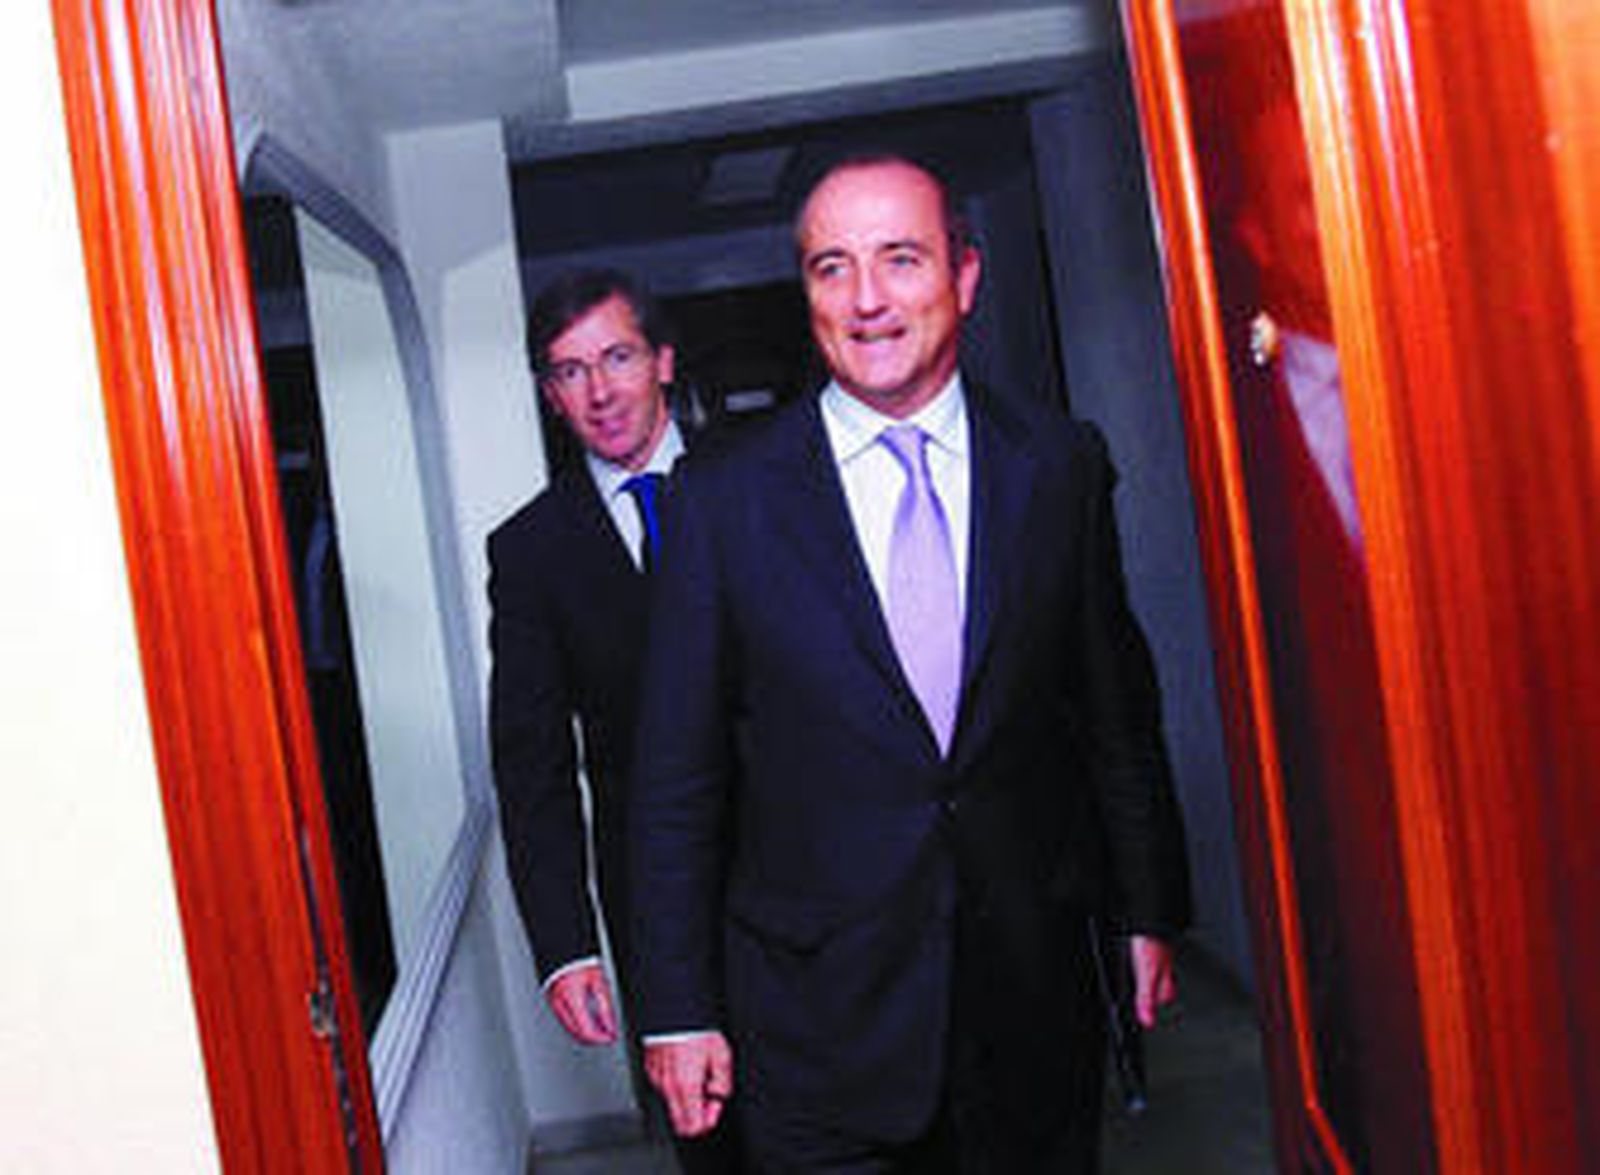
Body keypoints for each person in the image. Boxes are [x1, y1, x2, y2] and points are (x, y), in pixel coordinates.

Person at [629, 156, 1192, 1172]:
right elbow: (675, 777)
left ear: (964, 276)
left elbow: (1116, 711)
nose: (867, 300)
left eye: (900, 258)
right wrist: (677, 1005)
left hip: (1029, 996)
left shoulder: (1057, 465)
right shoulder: (720, 499)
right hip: (814, 1024)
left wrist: (1148, 909)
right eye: (832, 267)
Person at [487, 268, 739, 1172]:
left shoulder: (764, 483)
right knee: (718, 1145)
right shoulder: (530, 549)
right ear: (549, 393)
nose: (599, 391)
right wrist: (566, 946)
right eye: (569, 370)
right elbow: (533, 766)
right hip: (660, 906)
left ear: (663, 361)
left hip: (819, 876)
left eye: (618, 357)